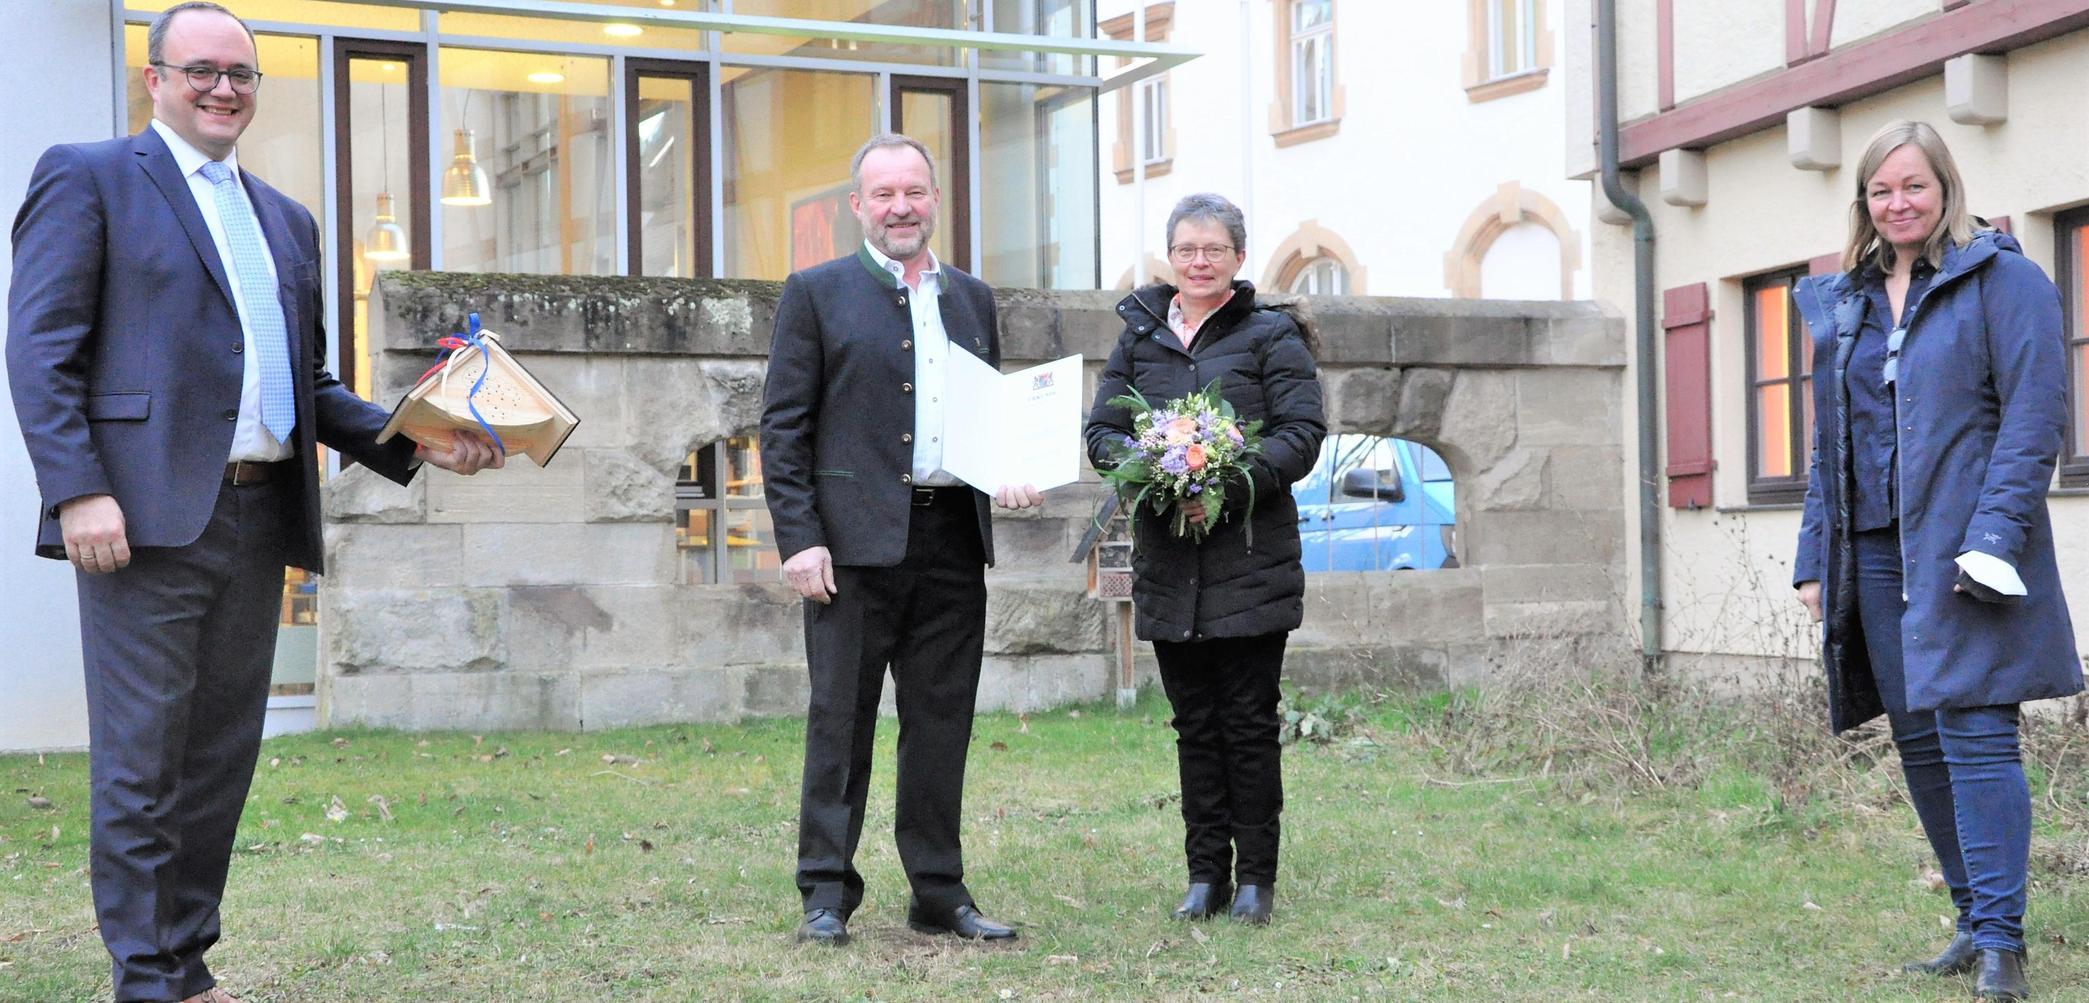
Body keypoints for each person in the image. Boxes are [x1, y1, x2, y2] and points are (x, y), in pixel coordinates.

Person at [5, 5, 502, 1001]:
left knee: (220, 756)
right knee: (144, 761)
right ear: (156, 79)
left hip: (256, 515)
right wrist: (79, 491)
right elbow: (39, 347)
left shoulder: (286, 219)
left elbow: (305, 384)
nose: (223, 88)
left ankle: (185, 962)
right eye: (200, 71)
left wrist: (417, 437)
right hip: (139, 522)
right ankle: (146, 978)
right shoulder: (90, 176)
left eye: (239, 72)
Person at [1791, 120, 2081, 1002]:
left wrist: (1991, 539)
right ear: (1864, 201)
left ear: (1944, 187)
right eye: (1881, 190)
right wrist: (1814, 555)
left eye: (1912, 185)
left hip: (1965, 548)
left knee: (1976, 733)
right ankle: (1968, 919)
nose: (1897, 203)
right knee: (1917, 736)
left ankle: (2003, 944)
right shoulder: (1846, 301)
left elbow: (2034, 421)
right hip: (1871, 551)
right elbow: (1827, 445)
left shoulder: (2004, 280)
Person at [760, 133, 1042, 947]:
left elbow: (986, 417)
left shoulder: (973, 298)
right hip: (848, 549)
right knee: (837, 719)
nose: (899, 207)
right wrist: (800, 538)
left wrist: (1008, 471)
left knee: (941, 719)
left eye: (913, 192)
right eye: (882, 194)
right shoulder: (815, 293)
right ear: (857, 206)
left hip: (953, 538)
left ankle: (937, 889)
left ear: (934, 201)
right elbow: (783, 428)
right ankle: (825, 891)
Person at [1083, 193, 1326, 925]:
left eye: (1212, 250)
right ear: (1170, 256)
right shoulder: (1138, 336)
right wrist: (1153, 472)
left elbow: (1301, 432)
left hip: (1248, 559)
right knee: (1194, 724)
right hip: (1169, 564)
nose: (1198, 261)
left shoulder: (1269, 335)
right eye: (1186, 249)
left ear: (1237, 259)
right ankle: (1203, 876)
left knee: (1247, 721)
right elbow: (1102, 430)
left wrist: (1226, 481)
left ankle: (1255, 877)